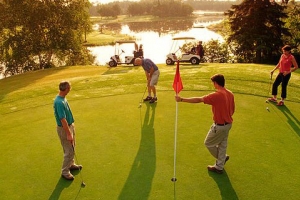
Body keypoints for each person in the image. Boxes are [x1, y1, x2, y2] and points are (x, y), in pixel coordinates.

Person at [175, 74, 235, 174]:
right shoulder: (230, 93)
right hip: (228, 124)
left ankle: (222, 159)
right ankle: (219, 167)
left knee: (208, 143)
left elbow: (199, 99)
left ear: (216, 83)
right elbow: (233, 110)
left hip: (220, 126)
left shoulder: (217, 95)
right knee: (223, 144)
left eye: (213, 83)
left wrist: (181, 99)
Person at [53, 81, 82, 180]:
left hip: (70, 126)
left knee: (72, 147)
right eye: (69, 88)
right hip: (64, 128)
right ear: (65, 89)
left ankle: (71, 164)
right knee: (68, 150)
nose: (70, 89)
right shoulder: (59, 102)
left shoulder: (63, 98)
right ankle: (65, 171)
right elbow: (62, 119)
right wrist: (68, 133)